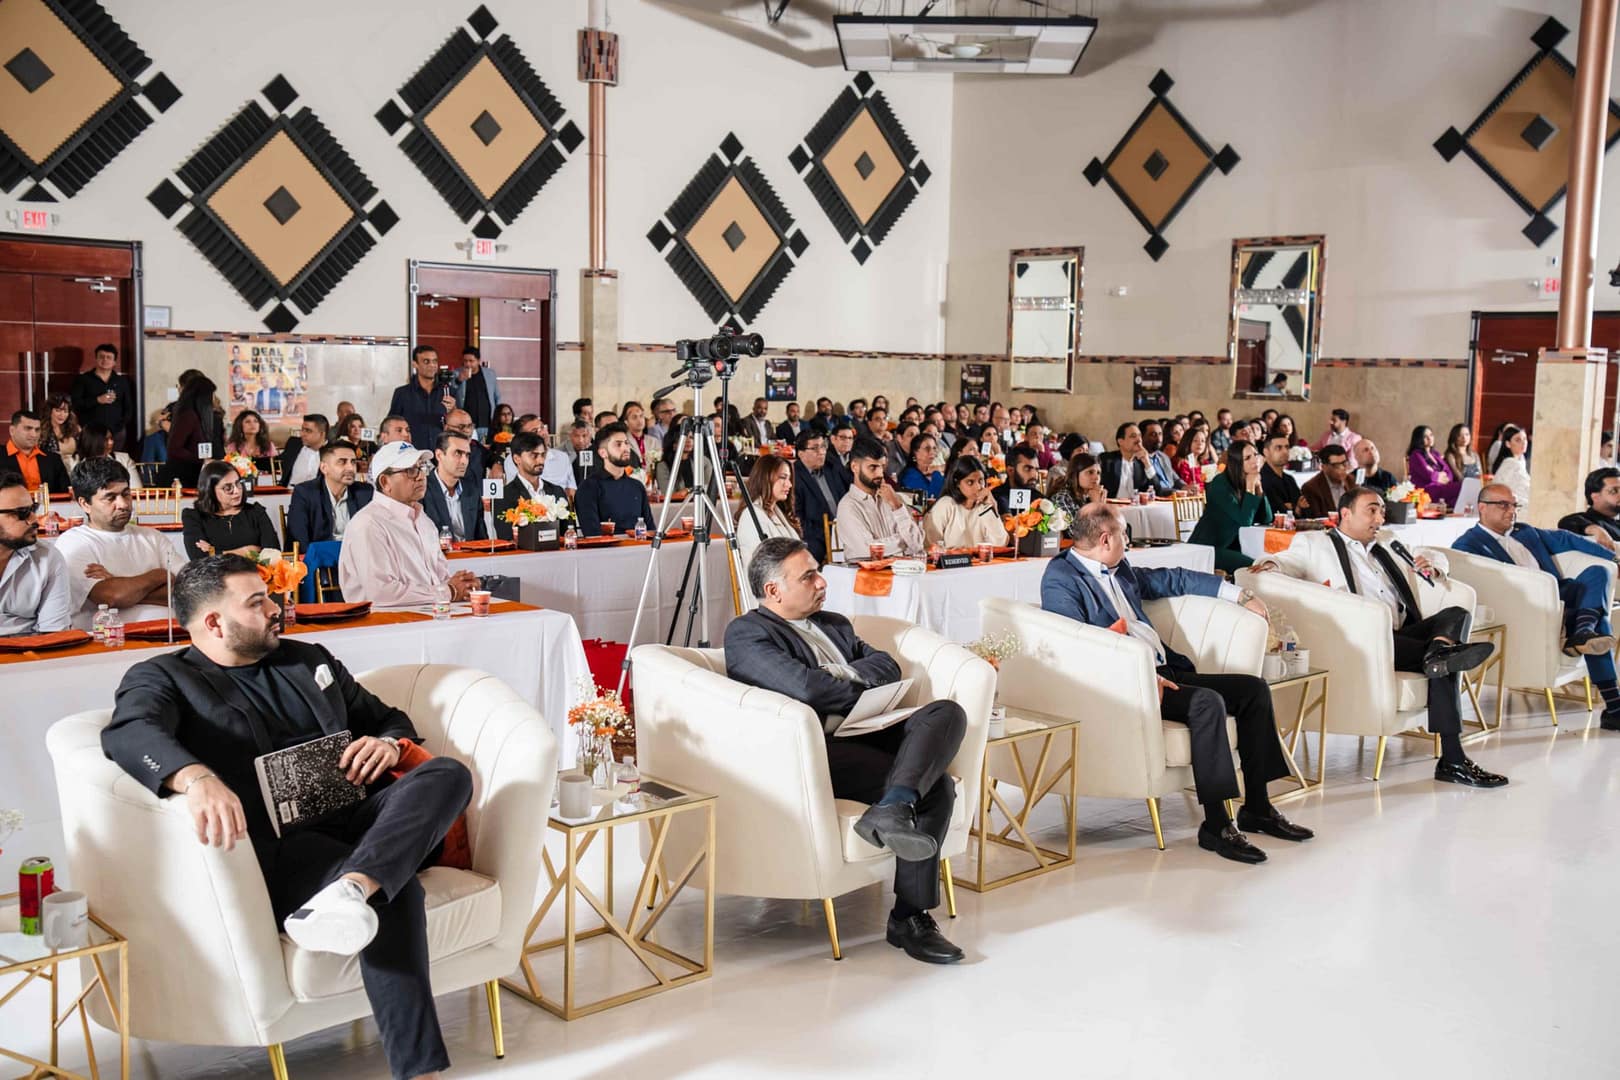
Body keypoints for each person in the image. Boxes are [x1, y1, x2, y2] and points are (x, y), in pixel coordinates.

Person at [101, 554, 472, 1080]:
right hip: (285, 850)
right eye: (257, 602)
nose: (276, 608)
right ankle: (420, 1070)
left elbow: (388, 717)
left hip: (365, 818)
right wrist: (197, 778)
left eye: (270, 596)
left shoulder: (308, 658)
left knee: (448, 774)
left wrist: (387, 744)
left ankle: (353, 886)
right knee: (397, 891)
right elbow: (129, 732)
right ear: (214, 623)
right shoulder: (163, 676)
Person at [724, 537, 967, 963]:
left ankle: (893, 805)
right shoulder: (748, 633)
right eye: (809, 577)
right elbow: (805, 688)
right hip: (817, 749)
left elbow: (887, 666)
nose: (822, 583)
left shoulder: (834, 623)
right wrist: (853, 680)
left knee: (946, 713)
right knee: (938, 787)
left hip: (869, 726)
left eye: (819, 572)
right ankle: (909, 919)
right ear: (773, 590)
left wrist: (835, 675)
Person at [1043, 504, 1305, 861]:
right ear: (1105, 539)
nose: (1128, 542)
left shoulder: (1119, 568)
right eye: (1124, 535)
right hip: (1129, 683)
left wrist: (1240, 595)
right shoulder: (1061, 578)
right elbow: (1076, 643)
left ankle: (1257, 807)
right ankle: (1216, 825)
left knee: (1253, 690)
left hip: (1166, 670)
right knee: (1207, 702)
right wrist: (1144, 676)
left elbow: (1173, 578)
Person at [1252, 487, 1506, 787]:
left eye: (1382, 511)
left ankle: (1438, 654)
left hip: (1402, 634)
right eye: (1371, 510)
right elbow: (1284, 560)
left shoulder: (1388, 541)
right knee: (1446, 661)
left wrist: (1433, 566)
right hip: (1364, 640)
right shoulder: (1315, 544)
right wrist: (1270, 565)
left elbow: (1433, 553)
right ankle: (1453, 758)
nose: (1380, 518)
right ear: (1345, 513)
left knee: (1456, 614)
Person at [1454, 481, 1620, 728]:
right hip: (1529, 608)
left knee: (1599, 572)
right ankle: (1613, 703)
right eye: (1503, 505)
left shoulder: (1525, 531)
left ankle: (1583, 632)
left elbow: (1565, 538)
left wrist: (1614, 558)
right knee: (1599, 621)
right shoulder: (1468, 546)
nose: (1512, 511)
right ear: (1482, 507)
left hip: (1562, 595)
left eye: (1514, 505)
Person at [338, 442, 480, 608]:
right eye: (411, 471)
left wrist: (462, 585)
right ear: (385, 482)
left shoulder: (423, 520)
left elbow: (439, 578)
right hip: (385, 620)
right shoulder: (368, 524)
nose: (421, 476)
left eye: (422, 468)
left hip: (429, 613)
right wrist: (448, 591)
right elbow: (381, 593)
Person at [53, 457, 188, 626]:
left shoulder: (153, 537)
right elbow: (111, 597)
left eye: (126, 494)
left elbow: (188, 592)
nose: (123, 504)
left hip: (170, 633)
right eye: (110, 498)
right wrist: (159, 575)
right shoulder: (73, 542)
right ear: (85, 504)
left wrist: (118, 581)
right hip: (108, 638)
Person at [0, 471, 71, 634]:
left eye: (33, 509)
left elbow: (54, 632)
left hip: (31, 646)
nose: (34, 519)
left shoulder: (47, 558)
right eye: (22, 513)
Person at [1188, 441, 1271, 573]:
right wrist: (1250, 486)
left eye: (1256, 454)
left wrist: (1259, 488)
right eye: (1247, 458)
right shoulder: (1220, 484)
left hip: (1232, 546)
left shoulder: (1245, 480)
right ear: (1237, 463)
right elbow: (1245, 521)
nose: (1255, 460)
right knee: (1257, 566)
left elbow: (1267, 518)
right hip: (1208, 548)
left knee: (1271, 560)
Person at [837, 436, 925, 561]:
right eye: (873, 467)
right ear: (854, 467)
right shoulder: (847, 506)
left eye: (882, 467)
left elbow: (917, 544)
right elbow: (868, 550)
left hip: (901, 568)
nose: (880, 474)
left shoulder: (894, 498)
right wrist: (905, 540)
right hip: (865, 572)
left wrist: (897, 506)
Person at [183, 460, 281, 560]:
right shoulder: (194, 516)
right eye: (228, 488)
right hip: (215, 571)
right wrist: (247, 551)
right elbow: (199, 558)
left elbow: (273, 554)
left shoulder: (256, 512)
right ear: (210, 490)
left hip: (253, 570)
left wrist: (214, 552)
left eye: (238, 483)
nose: (237, 491)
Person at [736, 453, 802, 593]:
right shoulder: (751, 516)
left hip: (788, 584)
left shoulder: (776, 511)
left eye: (789, 479)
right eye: (783, 478)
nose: (789, 485)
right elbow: (766, 566)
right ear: (765, 478)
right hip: (768, 593)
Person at [574, 423, 653, 538]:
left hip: (639, 545)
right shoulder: (588, 487)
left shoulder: (637, 486)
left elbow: (650, 528)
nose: (625, 448)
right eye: (618, 444)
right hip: (606, 547)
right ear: (603, 453)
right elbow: (592, 533)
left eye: (626, 443)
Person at [287, 442, 372, 547]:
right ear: (324, 468)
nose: (350, 468)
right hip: (320, 555)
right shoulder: (305, 493)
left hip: (356, 554)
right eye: (342, 462)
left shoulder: (365, 492)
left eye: (353, 462)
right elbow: (299, 540)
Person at [494, 432, 569, 541]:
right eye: (534, 455)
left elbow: (568, 533)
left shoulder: (557, 491)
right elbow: (505, 536)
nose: (540, 460)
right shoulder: (504, 496)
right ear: (517, 459)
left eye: (543, 455)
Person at [924, 457, 1008, 549]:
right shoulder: (946, 505)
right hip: (950, 557)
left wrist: (991, 506)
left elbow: (1000, 543)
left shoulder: (983, 507)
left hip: (979, 558)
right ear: (957, 483)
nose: (978, 487)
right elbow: (930, 545)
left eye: (981, 481)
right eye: (970, 482)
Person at [421, 431, 487, 543]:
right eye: (458, 453)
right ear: (439, 455)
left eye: (467, 455)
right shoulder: (422, 490)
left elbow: (481, 538)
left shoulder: (472, 490)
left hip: (471, 553)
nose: (464, 461)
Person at [794, 430, 847, 564]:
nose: (822, 452)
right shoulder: (794, 477)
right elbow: (798, 518)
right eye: (815, 448)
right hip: (817, 535)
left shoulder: (831, 467)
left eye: (823, 446)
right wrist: (828, 534)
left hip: (844, 529)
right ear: (801, 454)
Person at [388, 346, 456, 451]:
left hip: (442, 453)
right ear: (415, 364)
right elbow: (391, 424)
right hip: (411, 453)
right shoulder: (402, 393)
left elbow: (459, 424)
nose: (432, 365)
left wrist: (454, 409)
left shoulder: (448, 392)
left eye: (434, 361)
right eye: (426, 361)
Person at [70, 343, 135, 449]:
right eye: (101, 356)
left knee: (115, 458)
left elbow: (128, 407)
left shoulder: (122, 381)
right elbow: (76, 404)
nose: (105, 360)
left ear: (114, 362)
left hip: (116, 432)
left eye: (109, 357)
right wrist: (97, 400)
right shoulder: (83, 379)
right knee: (91, 457)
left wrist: (120, 426)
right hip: (91, 433)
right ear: (96, 359)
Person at [167, 375, 222, 488]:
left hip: (197, 471)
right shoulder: (188, 416)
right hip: (183, 474)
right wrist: (200, 459)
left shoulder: (203, 416)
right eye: (211, 394)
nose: (213, 398)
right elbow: (175, 448)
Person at [1100, 423, 1173, 500]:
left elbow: (1157, 490)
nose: (1138, 440)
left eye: (1139, 436)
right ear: (1120, 441)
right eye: (1133, 436)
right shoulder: (1106, 460)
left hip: (1135, 505)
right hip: (1111, 505)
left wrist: (1147, 463)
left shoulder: (1141, 463)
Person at [4, 409, 71, 494]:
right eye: (28, 428)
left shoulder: (53, 459)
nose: (34, 435)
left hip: (49, 503)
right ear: (12, 430)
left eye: (37, 430)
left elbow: (66, 493)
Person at [1559, 467, 1620, 549]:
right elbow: (1566, 522)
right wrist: (1595, 530)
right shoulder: (1586, 520)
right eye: (1614, 491)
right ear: (1595, 497)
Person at [74, 422, 143, 490]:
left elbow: (137, 490)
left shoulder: (123, 459)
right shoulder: (77, 463)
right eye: (106, 439)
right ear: (94, 442)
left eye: (111, 438)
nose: (111, 442)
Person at [450, 346, 500, 441]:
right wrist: (459, 380)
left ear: (478, 361)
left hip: (487, 422)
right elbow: (451, 393)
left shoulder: (490, 374)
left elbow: (497, 396)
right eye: (465, 361)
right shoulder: (456, 373)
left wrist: (497, 417)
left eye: (471, 361)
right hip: (466, 424)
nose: (468, 364)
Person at [1053, 451, 1107, 534]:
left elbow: (1107, 527)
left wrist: (1101, 505)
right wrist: (1096, 505)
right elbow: (1078, 534)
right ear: (1075, 474)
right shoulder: (1063, 498)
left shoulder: (1087, 496)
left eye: (1098, 473)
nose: (1096, 477)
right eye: (1090, 472)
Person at [1406, 425, 1459, 505]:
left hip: (1441, 487)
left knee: (1456, 500)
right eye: (1425, 437)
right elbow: (1429, 475)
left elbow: (1449, 473)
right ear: (1418, 439)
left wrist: (1439, 476)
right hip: (1427, 490)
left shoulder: (1435, 454)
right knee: (1462, 487)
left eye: (1431, 435)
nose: (1429, 438)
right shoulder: (1416, 455)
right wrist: (1439, 476)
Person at [1297, 444, 1352, 519]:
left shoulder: (1351, 481)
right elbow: (1316, 520)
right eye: (1336, 465)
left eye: (1344, 463)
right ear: (1324, 467)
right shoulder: (1311, 488)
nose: (1342, 468)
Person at [279, 414, 327, 488]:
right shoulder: (294, 444)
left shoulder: (332, 452)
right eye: (302, 430)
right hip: (290, 491)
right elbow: (276, 461)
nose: (302, 434)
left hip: (317, 493)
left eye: (308, 431)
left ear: (322, 434)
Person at [993, 444, 1042, 516]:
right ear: (1010, 471)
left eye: (1036, 469)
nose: (1034, 475)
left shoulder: (1040, 500)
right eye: (1027, 469)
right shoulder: (994, 498)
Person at [1491, 424, 1531, 510]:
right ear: (1508, 444)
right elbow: (1526, 489)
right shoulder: (1510, 464)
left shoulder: (1520, 461)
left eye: (1525, 439)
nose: (1524, 443)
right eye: (1518, 440)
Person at [1258, 433, 1301, 514]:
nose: (1285, 452)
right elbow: (1275, 511)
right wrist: (1294, 508)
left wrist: (1293, 507)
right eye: (1278, 448)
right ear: (1266, 452)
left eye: (1287, 447)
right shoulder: (1261, 479)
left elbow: (1303, 506)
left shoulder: (1289, 479)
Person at [543, 420, 591, 492]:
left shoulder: (596, 451)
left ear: (590, 436)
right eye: (576, 436)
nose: (581, 440)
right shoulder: (558, 453)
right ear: (570, 436)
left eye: (584, 436)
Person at [899, 433, 946, 499]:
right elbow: (931, 497)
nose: (932, 452)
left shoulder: (932, 470)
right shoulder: (910, 475)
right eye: (927, 448)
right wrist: (936, 472)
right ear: (915, 452)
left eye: (934, 448)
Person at [1171, 427, 1212, 491]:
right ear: (1187, 442)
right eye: (1195, 440)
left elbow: (1211, 485)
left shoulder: (1205, 463)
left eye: (1203, 441)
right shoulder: (1179, 462)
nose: (1200, 444)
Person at [40, 394, 78, 459]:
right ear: (49, 410)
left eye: (65, 411)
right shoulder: (41, 430)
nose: (62, 415)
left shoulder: (74, 429)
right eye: (58, 410)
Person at [828, 421, 856, 486]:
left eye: (850, 438)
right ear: (833, 439)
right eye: (843, 438)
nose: (847, 441)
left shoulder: (855, 456)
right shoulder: (828, 459)